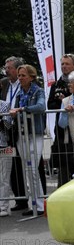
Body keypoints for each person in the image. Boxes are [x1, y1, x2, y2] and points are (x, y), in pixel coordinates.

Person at [2, 56, 45, 211]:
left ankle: (39, 205)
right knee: (28, 171)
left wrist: (22, 110)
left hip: (35, 134)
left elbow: (40, 107)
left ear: (31, 77)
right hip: (21, 134)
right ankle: (34, 204)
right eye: (19, 75)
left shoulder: (38, 91)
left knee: (33, 170)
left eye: (23, 76)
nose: (20, 78)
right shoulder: (20, 94)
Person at [48, 53, 74, 187]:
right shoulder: (56, 84)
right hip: (62, 129)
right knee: (63, 164)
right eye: (62, 64)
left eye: (67, 64)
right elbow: (50, 105)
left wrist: (66, 100)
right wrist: (64, 104)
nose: (64, 66)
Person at [0, 100, 12, 216]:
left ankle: (3, 206)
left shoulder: (4, 105)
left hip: (4, 144)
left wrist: (2, 119)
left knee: (4, 178)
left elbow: (8, 125)